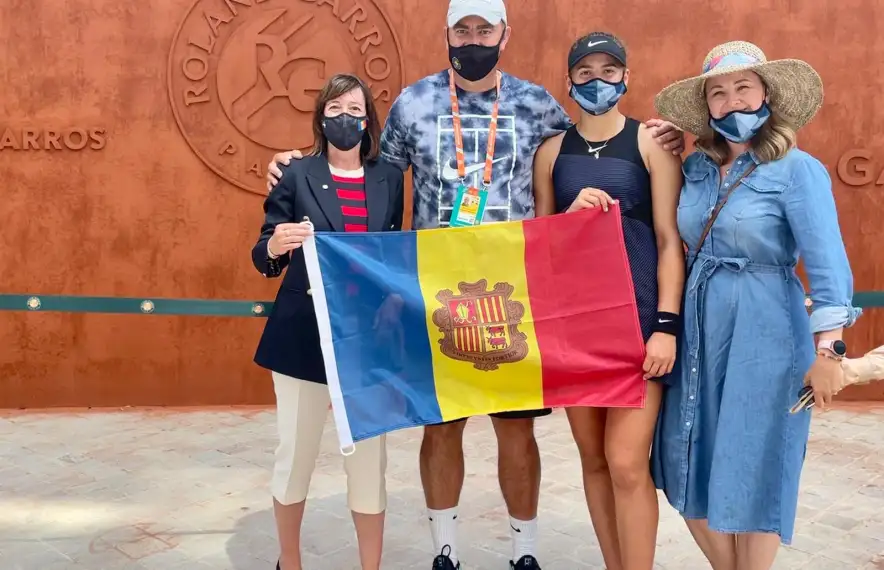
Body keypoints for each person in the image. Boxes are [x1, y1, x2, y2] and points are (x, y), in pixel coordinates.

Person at [265, 2, 686, 568]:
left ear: (503, 35)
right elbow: (368, 170)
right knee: (442, 427)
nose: (473, 39)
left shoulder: (537, 104)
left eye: (484, 30)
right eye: (462, 29)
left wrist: (663, 135)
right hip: (434, 290)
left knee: (516, 431)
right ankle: (445, 548)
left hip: (515, 292)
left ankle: (524, 551)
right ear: (447, 33)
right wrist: (299, 163)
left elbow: (593, 143)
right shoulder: (413, 103)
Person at [650, 41, 861, 570]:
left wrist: (830, 352)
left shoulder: (797, 170)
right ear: (707, 107)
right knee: (684, 453)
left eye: (743, 87)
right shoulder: (696, 169)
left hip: (768, 329)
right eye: (718, 93)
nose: (733, 101)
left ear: (766, 94)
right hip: (698, 330)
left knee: (759, 459)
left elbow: (828, 265)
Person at [532, 32, 684, 570]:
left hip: (638, 323)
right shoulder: (551, 152)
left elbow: (668, 240)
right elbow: (541, 245)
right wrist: (569, 217)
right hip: (576, 326)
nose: (598, 80)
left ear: (626, 77)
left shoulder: (651, 144)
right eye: (586, 72)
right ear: (569, 80)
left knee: (625, 463)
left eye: (609, 70)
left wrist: (666, 325)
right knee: (594, 461)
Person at [251, 73, 405, 570]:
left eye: (355, 110)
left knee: (369, 465)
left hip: (369, 343)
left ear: (368, 120)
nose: (345, 118)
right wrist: (276, 246)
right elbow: (264, 251)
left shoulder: (389, 178)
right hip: (303, 338)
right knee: (295, 457)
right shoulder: (296, 174)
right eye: (335, 109)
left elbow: (390, 252)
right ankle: (289, 562)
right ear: (320, 117)